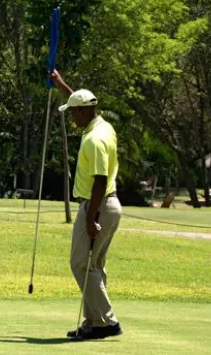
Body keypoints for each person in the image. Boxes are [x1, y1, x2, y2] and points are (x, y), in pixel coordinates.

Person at [50, 70, 124, 340]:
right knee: (93, 266)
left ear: (84, 112)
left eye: (73, 113)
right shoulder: (101, 125)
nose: (71, 117)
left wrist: (92, 217)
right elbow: (77, 101)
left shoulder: (94, 140)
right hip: (108, 204)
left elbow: (100, 181)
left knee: (81, 263)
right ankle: (94, 322)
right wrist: (61, 85)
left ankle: (107, 320)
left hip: (98, 204)